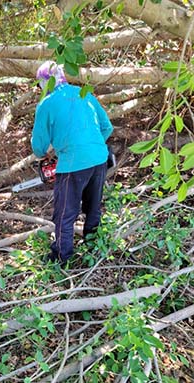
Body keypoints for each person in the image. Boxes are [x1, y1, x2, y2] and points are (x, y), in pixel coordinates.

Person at [31, 60, 113, 265]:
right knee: (93, 207)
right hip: (99, 158)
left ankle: (62, 255)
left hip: (72, 165)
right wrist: (90, 145)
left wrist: (45, 154)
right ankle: (93, 246)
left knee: (65, 214)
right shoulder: (84, 93)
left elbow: (38, 146)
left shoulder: (46, 104)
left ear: (44, 83)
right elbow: (106, 127)